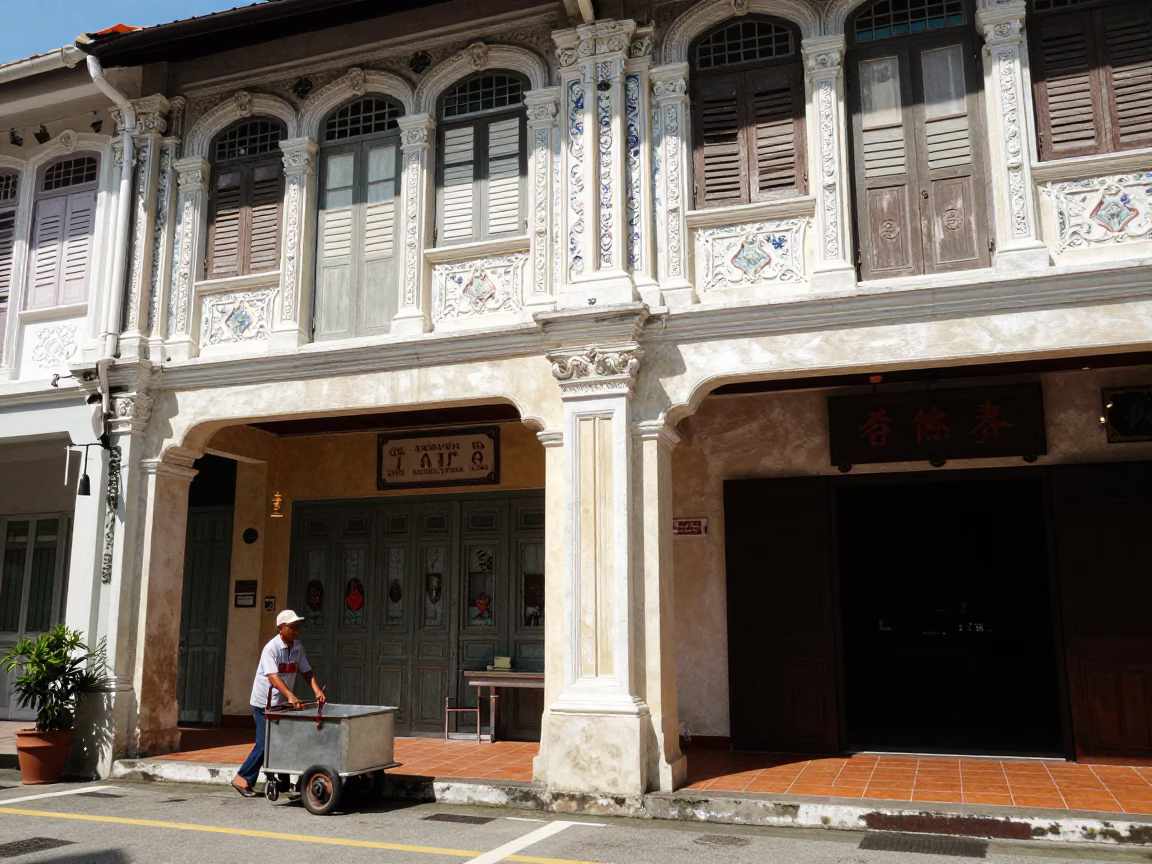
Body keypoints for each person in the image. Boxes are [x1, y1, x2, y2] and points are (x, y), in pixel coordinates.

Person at [232, 609, 325, 797]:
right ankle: (242, 779)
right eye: (292, 627)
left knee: (283, 741)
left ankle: (280, 780)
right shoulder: (271, 648)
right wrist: (290, 695)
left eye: (298, 627)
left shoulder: (297, 647)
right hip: (264, 704)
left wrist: (317, 690)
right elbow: (273, 677)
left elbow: (306, 671)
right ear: (280, 629)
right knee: (265, 743)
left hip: (282, 704)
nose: (296, 631)